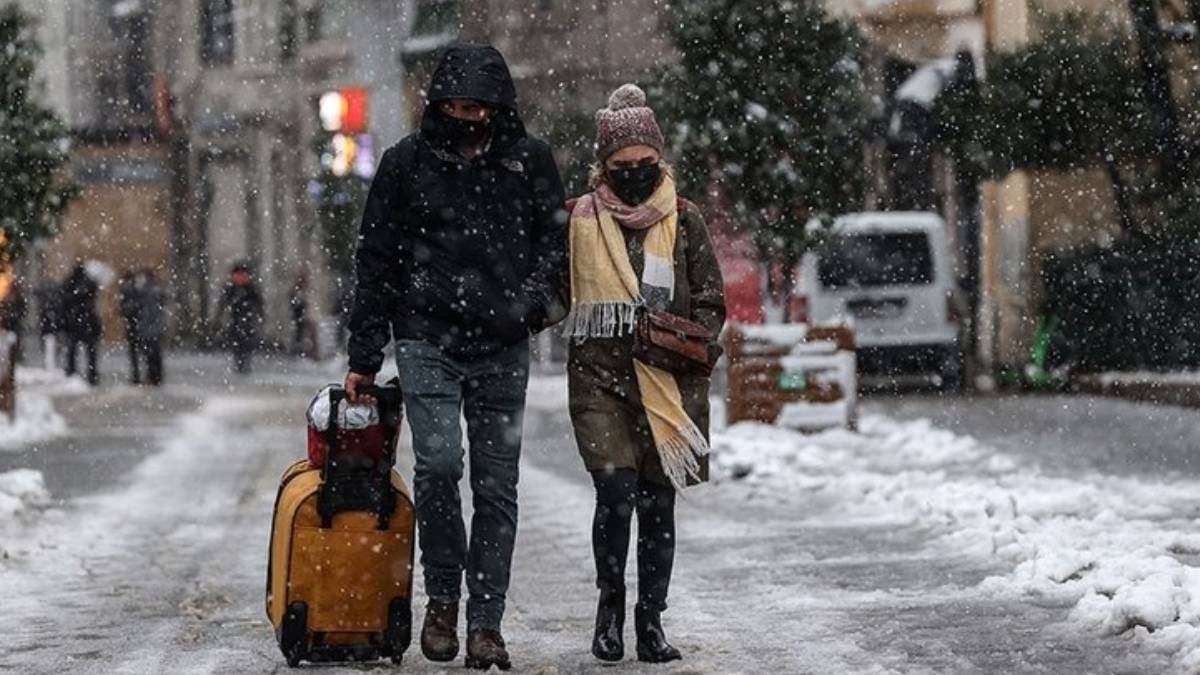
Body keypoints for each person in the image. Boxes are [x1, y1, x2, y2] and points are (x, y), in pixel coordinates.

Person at [343, 44, 567, 671]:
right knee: (438, 465)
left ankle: (486, 621)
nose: (466, 118)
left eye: (478, 107)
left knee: (497, 486)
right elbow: (376, 261)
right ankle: (442, 597)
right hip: (426, 338)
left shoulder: (530, 162)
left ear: (499, 108)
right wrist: (365, 351)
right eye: (455, 106)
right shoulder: (404, 165)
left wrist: (527, 304)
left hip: (502, 342)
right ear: (437, 103)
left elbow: (554, 242)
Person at [558, 84, 726, 664]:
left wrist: (688, 342)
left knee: (658, 503)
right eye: (621, 166)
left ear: (661, 160)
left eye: (644, 165)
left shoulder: (684, 218)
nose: (634, 174)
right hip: (599, 380)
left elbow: (711, 298)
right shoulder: (578, 221)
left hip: (668, 382)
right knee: (615, 492)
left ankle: (650, 619)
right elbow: (557, 294)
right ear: (601, 167)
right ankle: (609, 608)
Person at [216, 262, 264, 374]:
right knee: (237, 342)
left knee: (247, 343)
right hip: (236, 320)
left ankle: (245, 363)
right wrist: (219, 316)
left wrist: (260, 315)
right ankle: (239, 362)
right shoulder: (231, 289)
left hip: (248, 320)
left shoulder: (251, 289)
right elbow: (223, 303)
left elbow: (259, 303)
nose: (241, 278)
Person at [60, 262, 102, 386]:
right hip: (86, 321)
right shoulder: (88, 283)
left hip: (76, 321)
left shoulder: (71, 283)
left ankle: (73, 373)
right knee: (89, 351)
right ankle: (91, 375)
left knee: (74, 350)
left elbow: (64, 300)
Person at [135, 269, 166, 385]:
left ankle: (154, 377)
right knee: (154, 354)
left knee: (151, 354)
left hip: (150, 328)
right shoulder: (154, 290)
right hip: (154, 327)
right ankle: (156, 376)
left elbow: (148, 312)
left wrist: (143, 325)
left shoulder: (148, 291)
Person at [118, 270, 143, 383]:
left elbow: (126, 307)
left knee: (134, 352)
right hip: (140, 323)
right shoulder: (138, 289)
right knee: (141, 351)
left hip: (134, 324)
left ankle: (136, 376)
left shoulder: (127, 290)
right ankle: (140, 375)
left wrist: (124, 311)